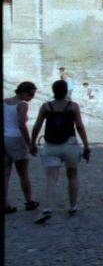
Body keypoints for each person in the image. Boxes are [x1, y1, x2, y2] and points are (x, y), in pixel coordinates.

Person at [30, 79, 90, 224]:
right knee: (72, 175)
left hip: (51, 145)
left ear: (53, 91)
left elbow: (37, 125)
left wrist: (32, 142)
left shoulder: (46, 107)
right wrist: (86, 145)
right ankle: (73, 205)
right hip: (69, 144)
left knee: (51, 178)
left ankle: (48, 208)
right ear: (65, 91)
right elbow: (80, 127)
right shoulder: (73, 106)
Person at [4, 82, 39, 214]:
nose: (32, 97)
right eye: (31, 94)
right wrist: (29, 143)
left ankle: (5, 203)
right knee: (23, 173)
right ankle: (29, 201)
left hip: (5, 137)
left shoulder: (5, 101)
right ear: (23, 92)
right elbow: (21, 125)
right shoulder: (22, 105)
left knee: (6, 173)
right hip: (16, 139)